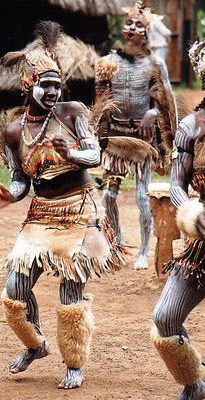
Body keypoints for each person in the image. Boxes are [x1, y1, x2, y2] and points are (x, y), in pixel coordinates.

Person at [0, 21, 125, 390]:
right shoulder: (14, 132)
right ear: (27, 84)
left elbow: (95, 153)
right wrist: (10, 196)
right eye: (44, 84)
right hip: (40, 214)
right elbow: (20, 179)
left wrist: (74, 153)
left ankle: (74, 362)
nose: (52, 91)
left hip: (80, 210)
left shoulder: (72, 112)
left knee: (70, 291)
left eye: (55, 84)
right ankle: (36, 346)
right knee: (14, 290)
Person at [95, 0, 176, 269]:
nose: (131, 28)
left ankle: (143, 250)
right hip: (115, 139)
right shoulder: (107, 63)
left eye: (138, 25)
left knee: (143, 197)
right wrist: (99, 134)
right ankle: (116, 242)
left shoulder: (155, 63)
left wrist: (153, 115)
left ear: (146, 32)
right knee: (108, 196)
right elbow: (100, 100)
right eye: (129, 24)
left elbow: (167, 98)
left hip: (142, 141)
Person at [151, 39, 205, 400]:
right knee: (166, 318)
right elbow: (176, 184)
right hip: (201, 243)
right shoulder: (191, 127)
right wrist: (193, 214)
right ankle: (193, 382)